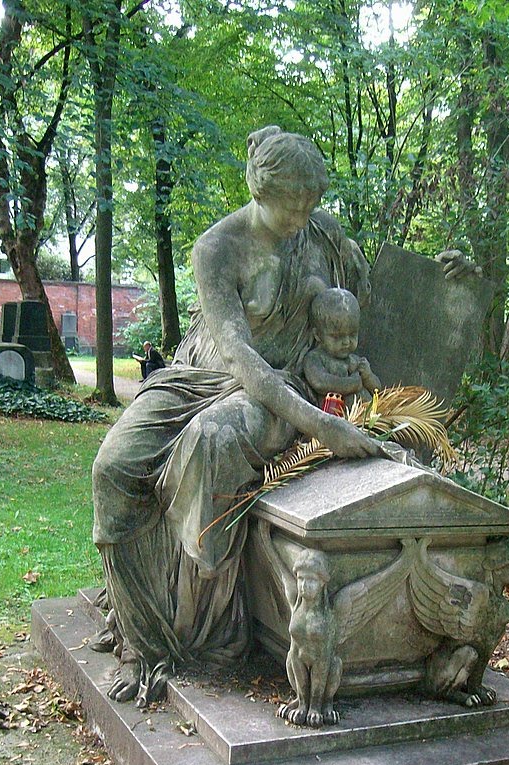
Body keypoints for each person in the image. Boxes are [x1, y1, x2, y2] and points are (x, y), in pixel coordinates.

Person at [92, 125, 476, 706]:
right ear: (256, 188)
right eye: (289, 205)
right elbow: (241, 357)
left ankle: (199, 632)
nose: (302, 217)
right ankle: (141, 622)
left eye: (310, 203)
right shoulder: (217, 248)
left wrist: (445, 284)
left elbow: (367, 304)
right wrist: (325, 427)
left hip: (299, 382)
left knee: (214, 443)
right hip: (215, 377)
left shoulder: (323, 233)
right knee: (113, 468)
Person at [303, 287, 381, 404]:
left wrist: (368, 376)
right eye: (337, 337)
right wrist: (351, 384)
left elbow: (377, 390)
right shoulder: (315, 358)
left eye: (352, 335)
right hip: (335, 416)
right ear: (318, 335)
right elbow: (320, 383)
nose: (346, 342)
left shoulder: (355, 361)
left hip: (366, 417)